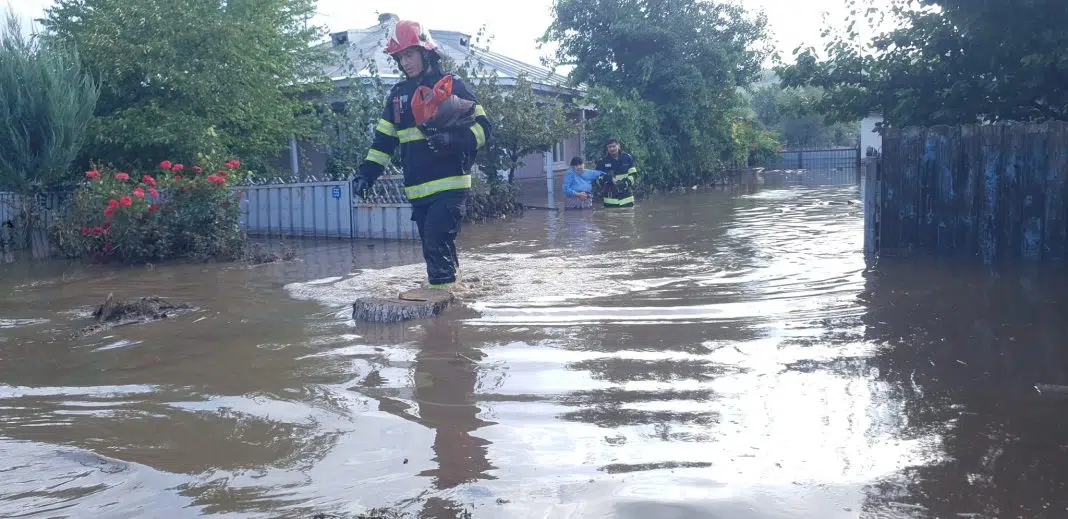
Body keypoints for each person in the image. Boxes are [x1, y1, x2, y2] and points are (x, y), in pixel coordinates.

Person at [352, 20, 492, 291]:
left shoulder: (451, 86)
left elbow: (485, 129)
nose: (405, 62)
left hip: (450, 188)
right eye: (400, 57)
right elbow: (383, 143)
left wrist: (452, 140)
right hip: (418, 194)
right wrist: (365, 175)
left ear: (425, 52)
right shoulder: (397, 97)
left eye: (409, 54)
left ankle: (440, 325)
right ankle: (457, 302)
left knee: (435, 247)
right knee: (438, 250)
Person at [596, 137, 639, 208]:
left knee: (628, 218)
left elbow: (634, 175)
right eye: (609, 147)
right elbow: (598, 179)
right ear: (607, 148)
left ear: (618, 146)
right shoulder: (602, 161)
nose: (612, 149)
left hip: (627, 199)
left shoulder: (627, 158)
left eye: (614, 146)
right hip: (610, 201)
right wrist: (609, 179)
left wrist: (626, 182)